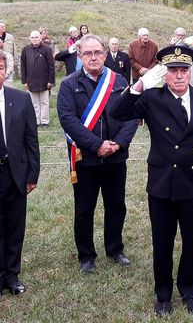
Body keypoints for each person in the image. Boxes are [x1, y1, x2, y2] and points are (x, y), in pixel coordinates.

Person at [111, 45, 193, 316]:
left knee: (191, 240)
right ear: (165, 73)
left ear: (190, 71)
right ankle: (163, 294)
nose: (178, 76)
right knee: (162, 241)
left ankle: (189, 290)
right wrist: (139, 85)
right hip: (163, 182)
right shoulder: (152, 98)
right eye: (172, 71)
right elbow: (118, 112)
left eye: (183, 70)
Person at [57, 34, 138, 273]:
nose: (93, 57)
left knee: (116, 206)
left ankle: (115, 249)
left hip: (115, 157)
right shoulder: (69, 84)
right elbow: (68, 120)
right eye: (88, 53)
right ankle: (86, 255)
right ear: (79, 57)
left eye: (97, 53)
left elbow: (132, 115)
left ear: (104, 55)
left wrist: (118, 144)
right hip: (85, 160)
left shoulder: (120, 80)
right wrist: (96, 145)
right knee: (84, 209)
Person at [0, 50, 40, 298]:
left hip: (15, 173)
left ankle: (12, 275)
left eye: (0, 65)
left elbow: (31, 140)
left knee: (15, 227)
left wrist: (32, 175)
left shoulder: (21, 99)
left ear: (5, 70)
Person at [21, 30, 55, 127]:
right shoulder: (25, 50)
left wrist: (51, 81)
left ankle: (44, 121)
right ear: (30, 38)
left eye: (36, 37)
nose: (35, 39)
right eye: (33, 37)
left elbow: (51, 66)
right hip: (31, 80)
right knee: (34, 102)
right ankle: (36, 121)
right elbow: (23, 66)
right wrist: (24, 81)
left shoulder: (47, 49)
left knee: (44, 102)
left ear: (40, 38)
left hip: (44, 81)